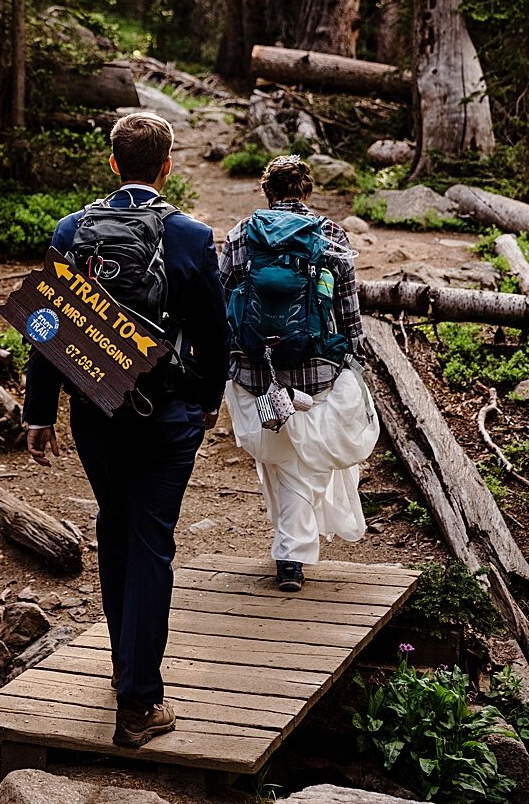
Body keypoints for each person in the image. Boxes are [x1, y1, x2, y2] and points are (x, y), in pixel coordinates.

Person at [22, 111, 231, 749]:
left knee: (113, 527)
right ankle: (140, 702)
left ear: (113, 162)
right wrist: (206, 401)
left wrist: (38, 411)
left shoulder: (71, 229)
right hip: (165, 415)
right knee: (150, 543)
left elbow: (46, 326)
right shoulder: (193, 237)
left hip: (94, 410)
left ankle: (124, 670)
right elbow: (214, 334)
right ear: (166, 165)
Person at [220, 154, 378, 592]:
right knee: (302, 457)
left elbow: (224, 300)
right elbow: (348, 310)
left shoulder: (240, 234)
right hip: (316, 369)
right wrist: (354, 357)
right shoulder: (330, 234)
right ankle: (292, 551)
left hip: (256, 369)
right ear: (306, 190)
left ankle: (290, 551)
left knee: (283, 457)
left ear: (267, 191)